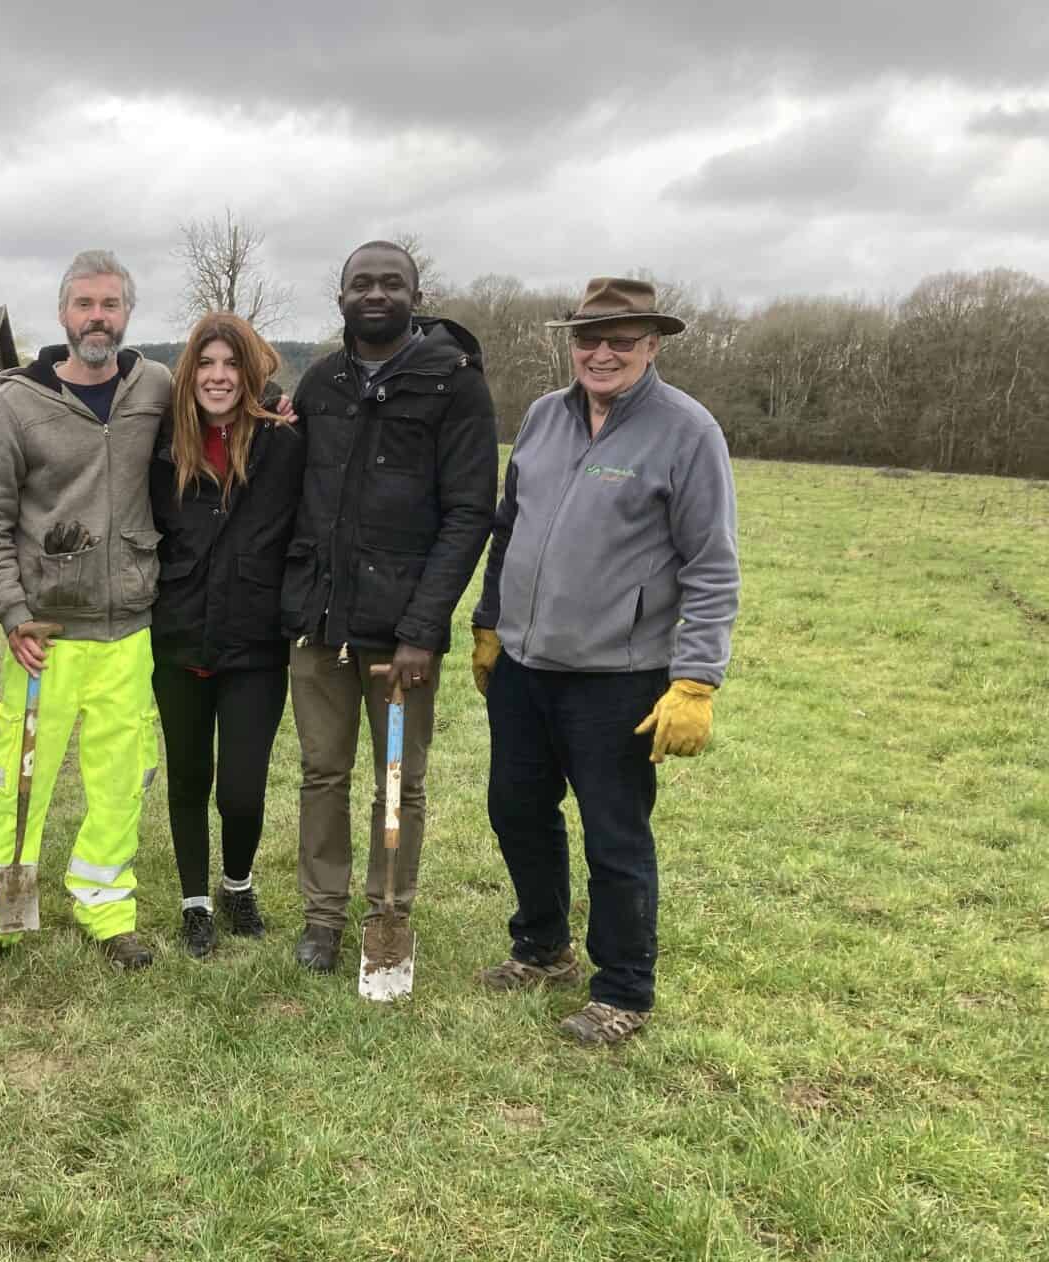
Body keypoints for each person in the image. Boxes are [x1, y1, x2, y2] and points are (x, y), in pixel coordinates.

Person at [470, 277, 739, 1044]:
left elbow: (712, 567)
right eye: (590, 337)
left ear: (653, 345)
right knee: (516, 811)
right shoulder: (542, 418)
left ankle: (623, 990)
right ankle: (543, 948)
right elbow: (509, 525)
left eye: (624, 338)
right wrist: (489, 624)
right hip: (523, 665)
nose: (604, 352)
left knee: (615, 835)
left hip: (618, 679)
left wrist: (694, 679)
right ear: (571, 344)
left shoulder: (687, 432)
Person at [0, 250, 170, 976]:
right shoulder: (18, 401)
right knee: (19, 777)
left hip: (129, 628)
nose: (97, 317)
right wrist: (13, 614)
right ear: (63, 314)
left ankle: (106, 908)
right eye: (84, 304)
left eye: (110, 304)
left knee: (120, 780)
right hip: (44, 633)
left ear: (127, 314)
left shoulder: (156, 389)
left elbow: (227, 414)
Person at [281, 239, 498, 974]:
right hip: (321, 624)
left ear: (415, 293)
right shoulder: (320, 384)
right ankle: (323, 917)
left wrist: (422, 628)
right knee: (322, 774)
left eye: (392, 283)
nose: (375, 294)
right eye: (360, 283)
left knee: (398, 780)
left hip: (402, 634)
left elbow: (470, 512)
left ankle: (389, 913)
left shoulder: (453, 385)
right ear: (340, 295)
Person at [147, 312, 304, 956]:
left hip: (255, 643)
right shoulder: (162, 449)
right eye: (207, 364)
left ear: (251, 372)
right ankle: (195, 903)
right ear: (190, 373)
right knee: (188, 777)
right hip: (178, 637)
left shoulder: (286, 446)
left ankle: (238, 883)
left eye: (232, 364)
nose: (219, 377)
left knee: (241, 785)